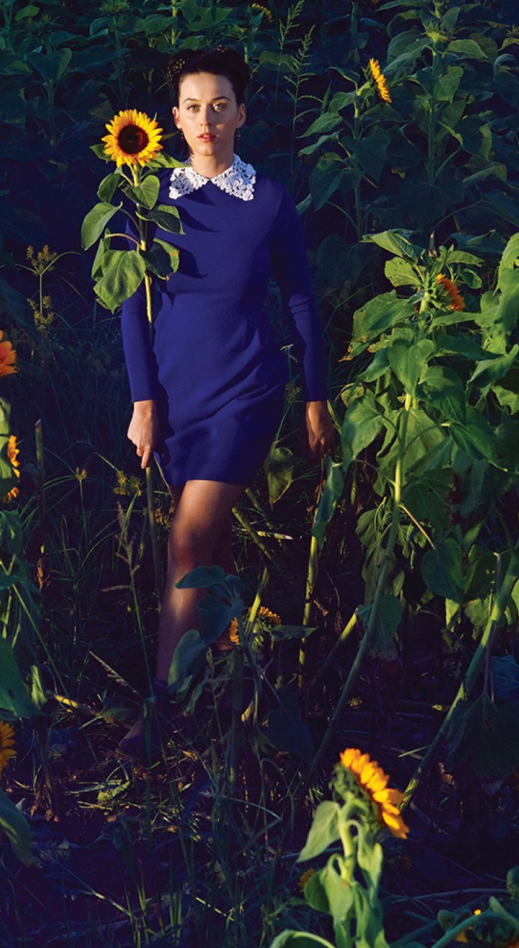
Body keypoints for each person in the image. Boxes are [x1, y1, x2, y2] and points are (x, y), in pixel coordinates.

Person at [116, 46, 337, 758]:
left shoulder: (268, 200)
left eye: (219, 105)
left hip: (246, 391)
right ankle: (238, 697)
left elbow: (299, 297)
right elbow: (129, 307)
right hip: (177, 399)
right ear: (173, 119)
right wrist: (143, 402)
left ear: (241, 112)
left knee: (184, 540)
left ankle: (162, 712)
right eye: (191, 106)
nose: (206, 119)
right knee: (210, 552)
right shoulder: (145, 198)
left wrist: (315, 395)